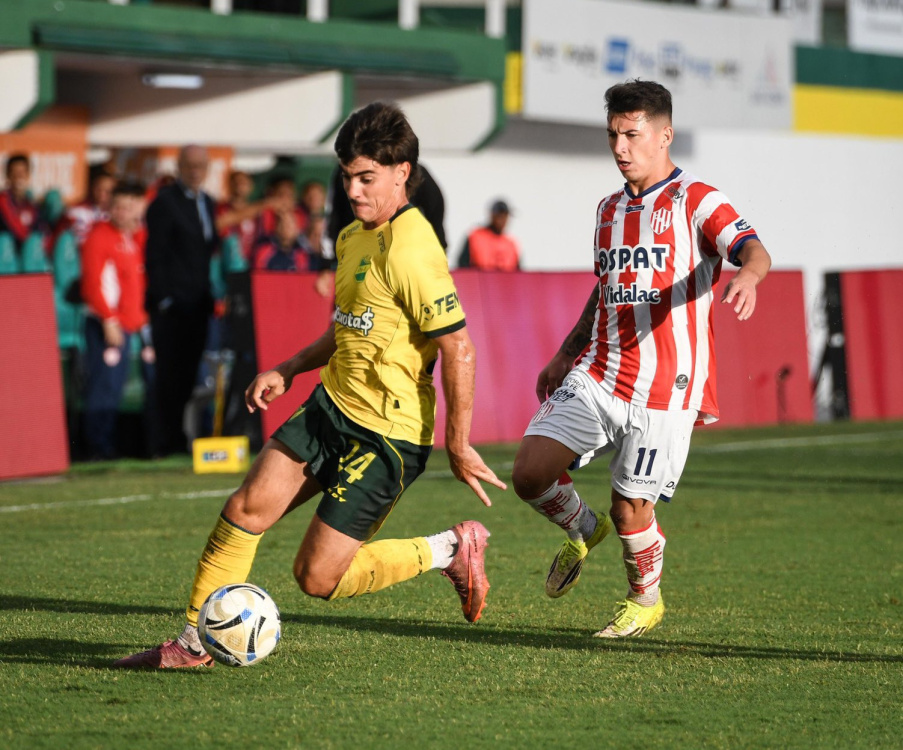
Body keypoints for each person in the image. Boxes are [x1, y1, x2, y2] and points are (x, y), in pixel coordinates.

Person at [115, 102, 506, 670]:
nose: (353, 190)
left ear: (402, 173)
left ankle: (449, 548)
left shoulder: (413, 248)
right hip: (331, 407)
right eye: (347, 177)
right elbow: (348, 327)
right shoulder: (351, 237)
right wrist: (289, 368)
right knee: (245, 509)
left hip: (387, 436)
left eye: (366, 178)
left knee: (316, 578)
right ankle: (194, 644)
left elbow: (458, 347)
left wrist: (459, 443)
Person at [511, 80, 772, 638]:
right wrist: (564, 353)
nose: (620, 147)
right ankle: (583, 529)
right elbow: (605, 289)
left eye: (632, 134)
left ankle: (644, 599)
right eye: (613, 135)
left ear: (665, 135)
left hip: (666, 385)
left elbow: (753, 248)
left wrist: (748, 276)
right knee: (529, 473)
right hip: (599, 370)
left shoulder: (697, 199)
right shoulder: (608, 209)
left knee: (630, 509)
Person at [144, 145, 218, 456]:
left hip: (198, 306)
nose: (195, 171)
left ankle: (176, 439)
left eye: (200, 165)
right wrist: (165, 300)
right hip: (172, 308)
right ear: (179, 167)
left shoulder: (208, 203)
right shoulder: (164, 202)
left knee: (188, 375)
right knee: (168, 377)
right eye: (189, 165)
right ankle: (163, 442)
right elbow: (155, 256)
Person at [80, 181, 154, 459]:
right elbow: (92, 285)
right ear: (110, 208)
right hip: (108, 324)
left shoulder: (135, 237)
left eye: (129, 207)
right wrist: (108, 319)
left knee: (122, 386)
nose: (124, 213)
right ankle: (97, 449)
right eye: (119, 207)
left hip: (134, 323)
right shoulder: (99, 236)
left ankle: (130, 446)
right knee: (105, 386)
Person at [328, 160, 447, 251]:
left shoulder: (415, 173)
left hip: (406, 254)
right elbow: (336, 219)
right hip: (360, 253)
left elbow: (435, 217)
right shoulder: (346, 172)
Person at [457, 199, 520, 271]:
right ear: (492, 215)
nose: (502, 220)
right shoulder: (476, 237)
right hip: (480, 277)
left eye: (505, 216)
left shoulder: (510, 243)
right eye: (500, 216)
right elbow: (463, 265)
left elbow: (518, 271)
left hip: (506, 278)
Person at [65, 168, 116, 247]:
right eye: (99, 189)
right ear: (92, 188)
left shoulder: (117, 214)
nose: (102, 194)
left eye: (107, 191)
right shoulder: (77, 210)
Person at [0, 153, 40, 252]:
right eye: (14, 172)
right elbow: (19, 232)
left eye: (23, 172)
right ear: (7, 176)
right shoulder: (2, 200)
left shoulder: (32, 205)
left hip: (26, 254)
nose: (19, 177)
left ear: (28, 175)